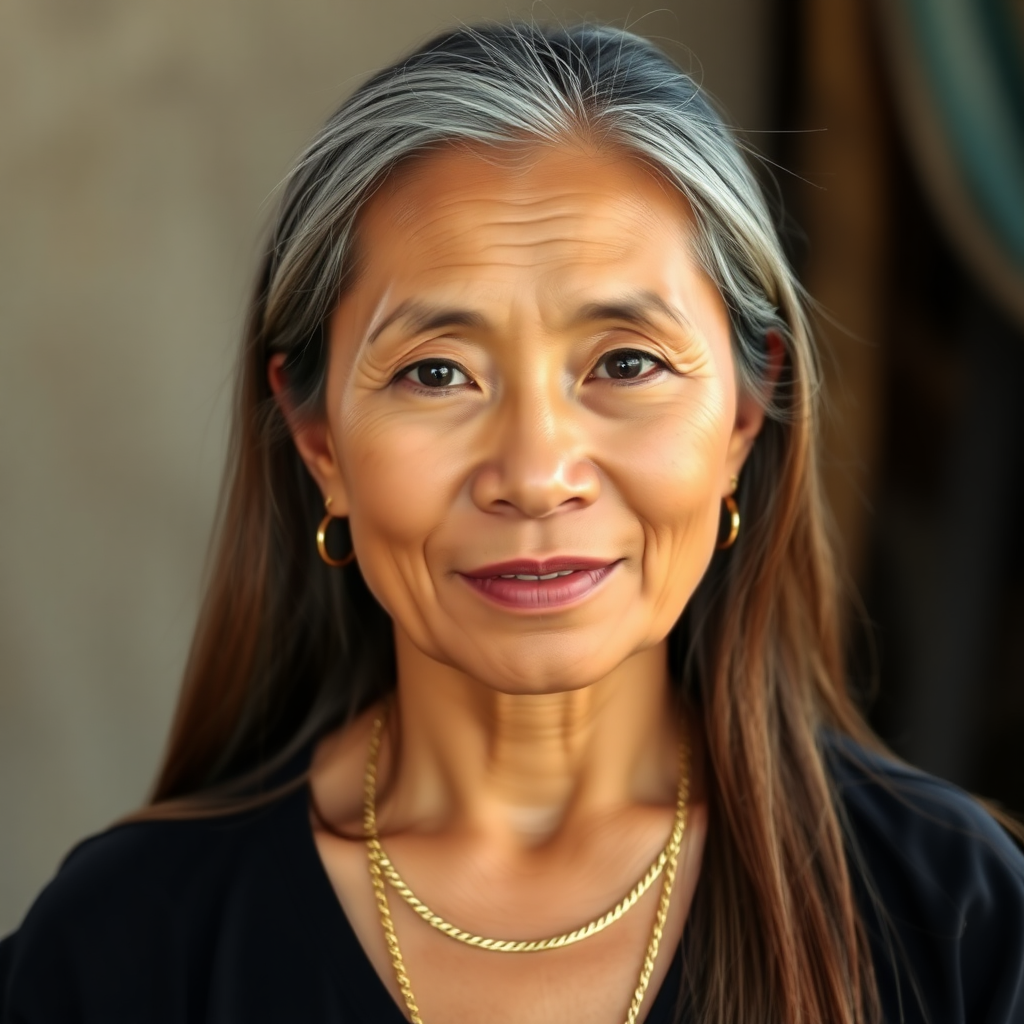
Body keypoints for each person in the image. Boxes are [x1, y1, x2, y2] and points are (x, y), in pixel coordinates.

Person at [2, 22, 1023, 1024]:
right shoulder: (125, 947)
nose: (534, 475)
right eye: (436, 372)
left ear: (743, 419)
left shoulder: (957, 925)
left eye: (625, 363)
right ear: (318, 440)